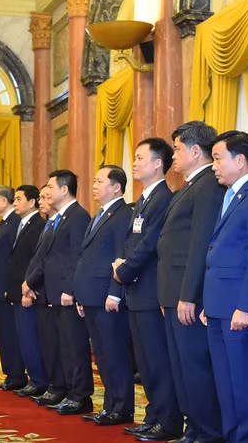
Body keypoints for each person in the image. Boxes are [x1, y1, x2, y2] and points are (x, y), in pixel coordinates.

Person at [200, 131, 248, 443]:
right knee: (225, 383)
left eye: (218, 158)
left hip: (240, 308)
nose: (213, 165)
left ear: (240, 160)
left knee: (243, 382)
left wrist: (245, 306)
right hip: (220, 305)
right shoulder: (230, 195)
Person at [155, 121, 226, 443]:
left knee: (195, 366)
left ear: (197, 152)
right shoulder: (190, 185)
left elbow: (200, 243)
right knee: (181, 367)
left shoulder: (209, 184)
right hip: (173, 291)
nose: (174, 157)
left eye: (178, 149)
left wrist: (188, 295)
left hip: (187, 294)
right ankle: (194, 428)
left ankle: (208, 431)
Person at [112, 138, 183, 440]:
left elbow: (150, 244)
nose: (135, 162)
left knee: (158, 361)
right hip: (136, 292)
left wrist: (122, 271)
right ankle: (153, 415)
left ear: (158, 163)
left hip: (152, 292)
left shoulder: (163, 198)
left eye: (141, 157)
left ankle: (167, 421)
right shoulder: (143, 199)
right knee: (145, 363)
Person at [24, 170, 93, 415]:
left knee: (75, 347)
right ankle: (67, 390)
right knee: (63, 347)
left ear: (64, 190)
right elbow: (48, 258)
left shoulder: (78, 217)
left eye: (51, 187)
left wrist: (69, 289)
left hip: (67, 294)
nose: (48, 192)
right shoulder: (62, 218)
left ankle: (81, 396)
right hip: (53, 294)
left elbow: (77, 257)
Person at [73, 166, 135, 426]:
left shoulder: (123, 215)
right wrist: (80, 295)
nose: (94, 185)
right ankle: (110, 405)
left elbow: (121, 257)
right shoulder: (100, 213)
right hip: (91, 297)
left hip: (108, 298)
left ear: (117, 187)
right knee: (102, 355)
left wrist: (115, 294)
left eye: (100, 181)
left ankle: (121, 408)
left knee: (115, 354)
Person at [23, 185, 67, 406]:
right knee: (47, 343)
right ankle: (52, 384)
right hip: (42, 291)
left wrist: (30, 283)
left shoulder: (57, 223)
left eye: (46, 197)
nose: (42, 201)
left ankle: (59, 385)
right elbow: (37, 260)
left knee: (56, 344)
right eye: (40, 198)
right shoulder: (49, 225)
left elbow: (49, 261)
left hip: (51, 291)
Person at [6, 185, 48, 399]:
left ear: (32, 203)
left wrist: (28, 289)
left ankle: (39, 380)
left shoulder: (39, 225)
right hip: (17, 291)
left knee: (32, 339)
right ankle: (34, 378)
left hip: (29, 293)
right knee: (24, 339)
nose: (14, 203)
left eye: (19, 199)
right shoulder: (21, 224)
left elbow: (34, 263)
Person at [0, 185, 27, 391]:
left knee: (10, 332)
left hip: (5, 290)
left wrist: (7, 287)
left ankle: (16, 375)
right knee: (4, 333)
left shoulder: (15, 223)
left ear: (4, 201)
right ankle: (11, 374)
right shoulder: (5, 223)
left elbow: (13, 260)